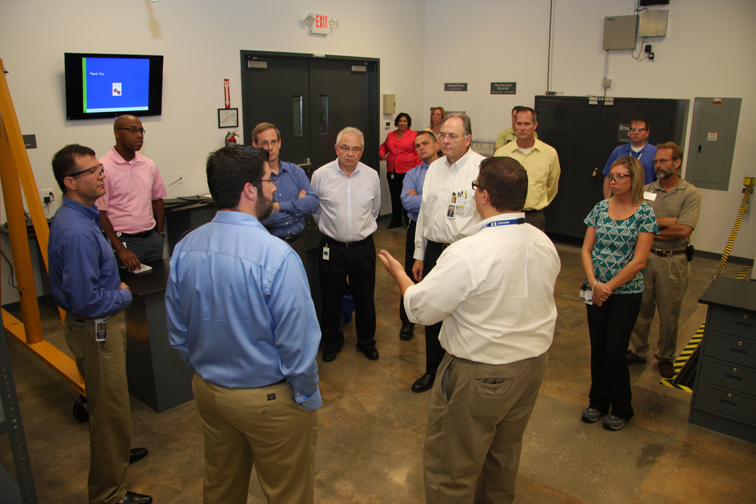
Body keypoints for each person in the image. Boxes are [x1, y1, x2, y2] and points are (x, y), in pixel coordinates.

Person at [379, 156, 560, 503]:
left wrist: (400, 276)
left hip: (481, 375)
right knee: (502, 458)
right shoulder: (542, 242)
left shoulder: (469, 252)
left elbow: (422, 310)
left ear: (484, 195)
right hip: (532, 368)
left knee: (452, 468)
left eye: (475, 187)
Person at [166, 145, 321, 504]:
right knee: (288, 494)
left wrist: (207, 371)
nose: (273, 190)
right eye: (268, 181)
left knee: (221, 488)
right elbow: (298, 346)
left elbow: (177, 333)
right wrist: (306, 393)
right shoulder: (277, 256)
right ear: (249, 190)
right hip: (269, 400)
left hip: (209, 394)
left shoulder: (185, 248)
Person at [48, 144, 151, 504]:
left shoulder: (83, 218)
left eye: (99, 169)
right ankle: (108, 494)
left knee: (114, 405)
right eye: (92, 171)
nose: (101, 174)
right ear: (70, 182)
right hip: (96, 328)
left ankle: (117, 455)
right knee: (108, 413)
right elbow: (85, 300)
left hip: (98, 327)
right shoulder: (76, 231)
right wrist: (123, 294)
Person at [581, 156, 657, 431]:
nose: (612, 181)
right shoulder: (601, 208)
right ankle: (598, 402)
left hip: (625, 293)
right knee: (598, 349)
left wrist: (608, 286)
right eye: (611, 176)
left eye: (619, 176)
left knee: (615, 353)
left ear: (634, 179)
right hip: (596, 289)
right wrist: (594, 284)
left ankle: (621, 408)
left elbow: (639, 261)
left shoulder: (644, 213)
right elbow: (587, 249)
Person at [411, 113, 485, 393]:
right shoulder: (434, 168)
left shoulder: (481, 168)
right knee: (433, 313)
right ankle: (432, 370)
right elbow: (424, 215)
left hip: (466, 253)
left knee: (464, 315)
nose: (445, 140)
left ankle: (462, 378)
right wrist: (419, 254)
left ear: (468, 139)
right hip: (434, 252)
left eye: (453, 135)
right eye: (442, 135)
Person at [628, 142, 702, 378]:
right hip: (645, 258)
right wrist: (669, 220)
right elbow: (636, 221)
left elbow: (683, 230)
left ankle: (665, 357)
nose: (657, 165)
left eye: (663, 161)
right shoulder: (647, 190)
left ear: (677, 163)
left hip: (674, 261)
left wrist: (652, 228)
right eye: (656, 161)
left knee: (669, 313)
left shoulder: (690, 193)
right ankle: (637, 350)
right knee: (641, 308)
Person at [311, 127, 381, 362]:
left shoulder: (371, 175)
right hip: (332, 248)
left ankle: (366, 342)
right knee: (331, 298)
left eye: (355, 149)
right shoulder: (321, 175)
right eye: (345, 148)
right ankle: (332, 341)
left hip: (363, 248)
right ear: (336, 148)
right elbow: (315, 211)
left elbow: (374, 209)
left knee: (365, 298)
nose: (350, 153)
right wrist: (333, 230)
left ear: (362, 151)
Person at [96, 115, 168, 271]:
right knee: (130, 290)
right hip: (124, 242)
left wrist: (160, 234)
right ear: (117, 133)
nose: (139, 135)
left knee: (155, 286)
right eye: (132, 130)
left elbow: (157, 200)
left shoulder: (148, 165)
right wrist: (120, 249)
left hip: (151, 239)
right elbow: (100, 212)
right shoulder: (103, 167)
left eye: (141, 131)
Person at [253, 122, 319, 272]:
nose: (270, 148)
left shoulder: (295, 171)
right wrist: (298, 210)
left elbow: (313, 203)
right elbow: (264, 217)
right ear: (255, 146)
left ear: (280, 143)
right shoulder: (253, 179)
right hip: (268, 247)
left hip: (297, 245)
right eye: (264, 143)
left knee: (299, 293)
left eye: (273, 142)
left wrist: (277, 206)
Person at [397, 131, 439, 341]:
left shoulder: (446, 172)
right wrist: (432, 200)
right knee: (411, 274)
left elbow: (444, 204)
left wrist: (420, 198)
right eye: (418, 145)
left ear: (437, 144)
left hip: (440, 230)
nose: (421, 148)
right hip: (416, 229)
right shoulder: (413, 174)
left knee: (438, 275)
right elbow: (406, 202)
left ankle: (437, 319)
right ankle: (408, 321)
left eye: (426, 143)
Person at [493, 107, 560, 231]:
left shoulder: (549, 153)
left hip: (535, 217)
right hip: (507, 215)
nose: (522, 128)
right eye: (519, 124)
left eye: (527, 124)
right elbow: (495, 187)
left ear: (535, 125)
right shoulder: (502, 154)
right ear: (514, 125)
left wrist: (537, 203)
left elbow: (552, 186)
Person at [379, 113, 421, 228]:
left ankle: (409, 220)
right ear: (397, 122)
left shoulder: (414, 135)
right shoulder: (391, 135)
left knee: (408, 196)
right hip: (392, 170)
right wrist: (382, 154)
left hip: (408, 170)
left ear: (408, 123)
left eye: (405, 121)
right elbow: (383, 147)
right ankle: (395, 220)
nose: (402, 123)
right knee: (395, 196)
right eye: (400, 121)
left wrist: (417, 169)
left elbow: (417, 153)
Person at [602, 118, 657, 199]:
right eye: (633, 129)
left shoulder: (655, 152)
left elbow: (659, 181)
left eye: (640, 130)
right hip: (620, 199)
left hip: (644, 199)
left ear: (647, 133)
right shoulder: (618, 151)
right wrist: (607, 202)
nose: (636, 132)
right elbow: (608, 178)